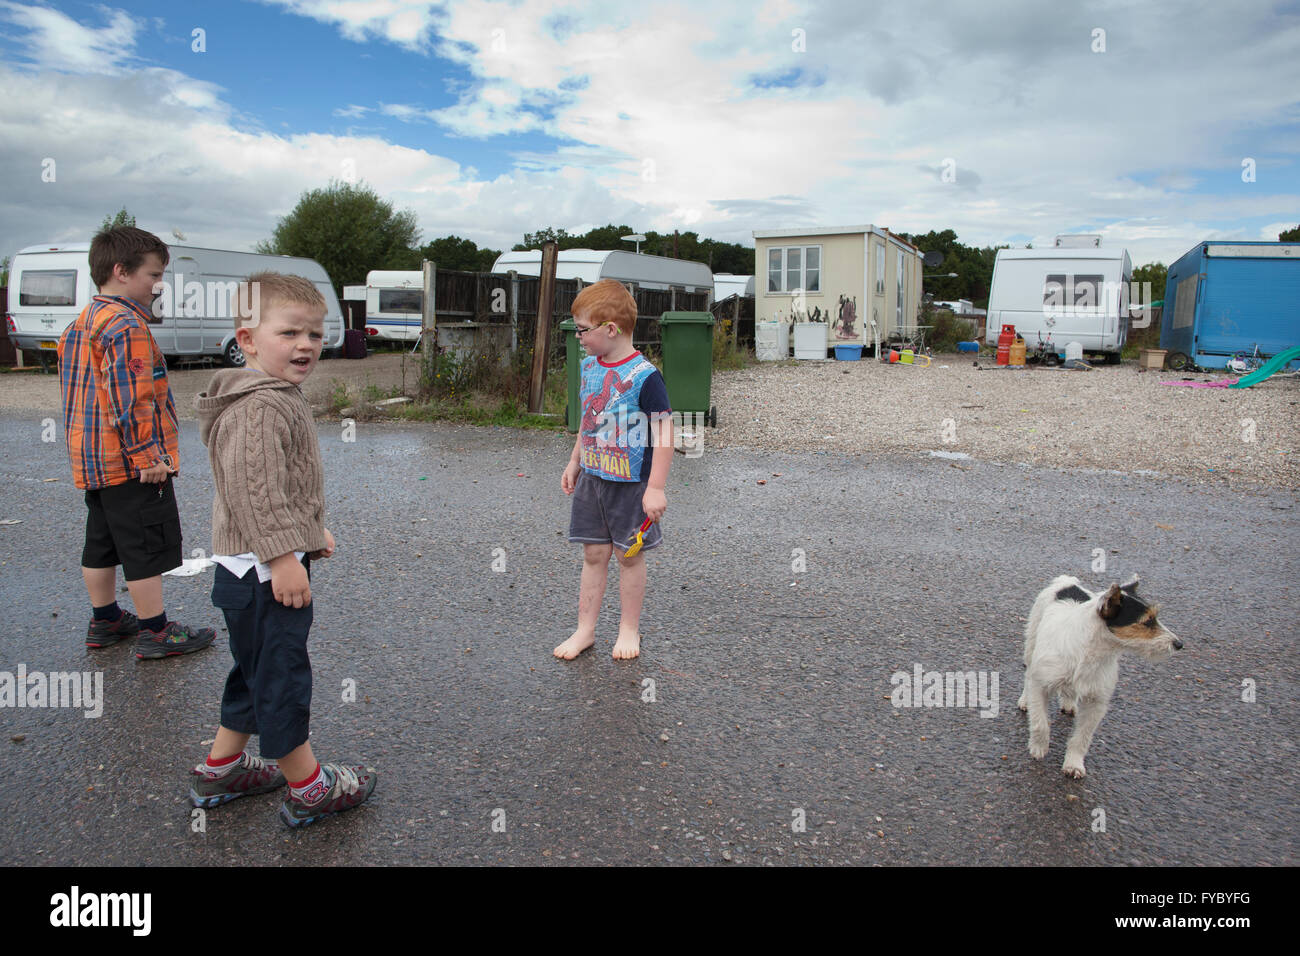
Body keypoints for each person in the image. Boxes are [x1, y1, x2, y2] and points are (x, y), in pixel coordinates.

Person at [188, 271, 376, 826]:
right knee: (281, 677)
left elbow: (279, 485)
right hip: (262, 571)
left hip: (249, 566)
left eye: (315, 335)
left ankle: (222, 767)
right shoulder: (259, 407)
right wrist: (281, 558)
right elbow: (255, 492)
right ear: (246, 339)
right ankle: (309, 787)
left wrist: (309, 534)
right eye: (290, 332)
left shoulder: (268, 395)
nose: (305, 346)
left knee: (254, 669)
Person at [58, 226, 215, 659]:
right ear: (120, 271)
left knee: (102, 541)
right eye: (153, 274)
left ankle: (105, 619)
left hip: (95, 461)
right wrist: (148, 456)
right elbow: (131, 400)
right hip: (132, 462)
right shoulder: (127, 326)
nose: (158, 284)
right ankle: (156, 631)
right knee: (145, 545)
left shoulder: (82, 322)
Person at [555, 279, 673, 661]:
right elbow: (588, 422)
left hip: (631, 485)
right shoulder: (589, 368)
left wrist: (655, 488)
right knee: (593, 555)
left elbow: (664, 431)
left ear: (610, 328)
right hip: (593, 480)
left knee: (629, 557)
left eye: (583, 330)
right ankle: (585, 630)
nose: (578, 337)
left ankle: (628, 629)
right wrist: (575, 462)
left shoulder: (644, 376)